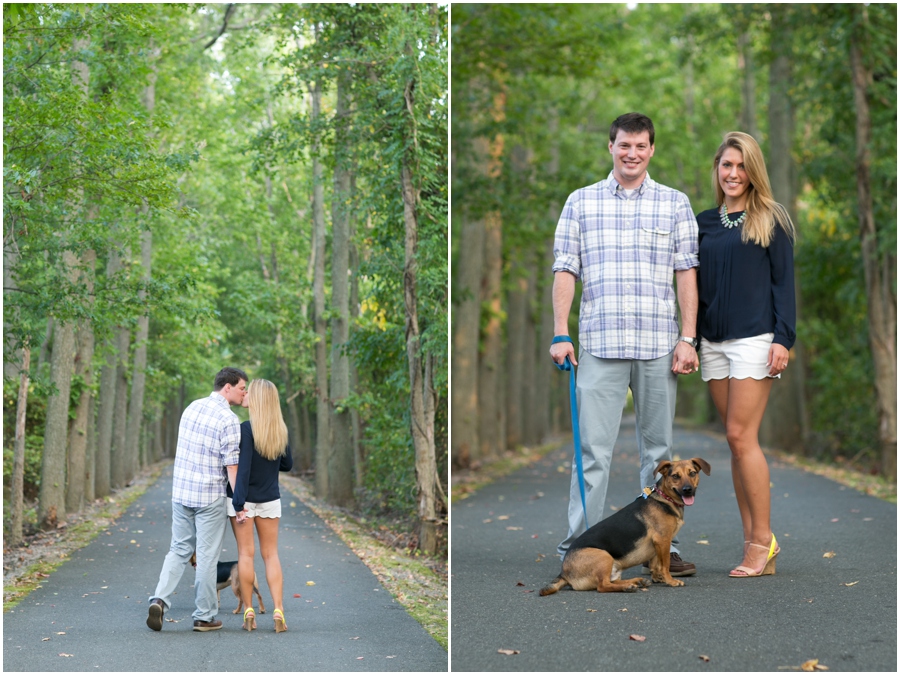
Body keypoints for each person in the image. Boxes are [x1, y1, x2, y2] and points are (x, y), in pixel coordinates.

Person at [550, 112, 701, 577]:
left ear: (651, 150)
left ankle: (661, 547)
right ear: (610, 148)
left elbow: (686, 274)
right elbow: (564, 269)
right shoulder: (581, 202)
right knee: (591, 452)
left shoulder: (675, 203)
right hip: (599, 340)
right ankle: (581, 548)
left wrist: (688, 338)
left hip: (658, 342)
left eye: (640, 146)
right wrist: (561, 331)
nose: (631, 153)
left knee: (659, 455)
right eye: (623, 145)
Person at [696, 131, 795, 578]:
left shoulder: (770, 219)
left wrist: (783, 339)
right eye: (726, 166)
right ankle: (754, 542)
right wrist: (690, 338)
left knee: (741, 436)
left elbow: (783, 284)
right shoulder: (703, 223)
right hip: (712, 341)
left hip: (755, 338)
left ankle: (762, 541)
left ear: (753, 170)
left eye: (741, 166)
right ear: (717, 170)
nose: (733, 174)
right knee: (735, 445)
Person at [147, 367, 248, 632]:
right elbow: (232, 466)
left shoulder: (191, 408)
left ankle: (159, 599)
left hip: (181, 492)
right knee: (206, 556)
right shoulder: (229, 420)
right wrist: (239, 502)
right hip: (209, 496)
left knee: (179, 549)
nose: (244, 392)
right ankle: (204, 616)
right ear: (227, 387)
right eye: (241, 388)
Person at [228, 378, 293, 632]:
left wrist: (238, 503)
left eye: (249, 393)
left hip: (246, 501)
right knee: (271, 555)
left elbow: (242, 471)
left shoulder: (246, 428)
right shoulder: (280, 430)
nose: (245, 395)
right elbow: (287, 465)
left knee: (246, 554)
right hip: (270, 500)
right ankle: (278, 610)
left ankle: (248, 611)